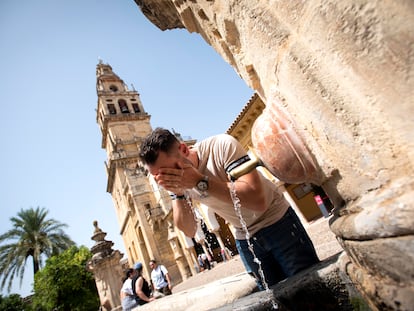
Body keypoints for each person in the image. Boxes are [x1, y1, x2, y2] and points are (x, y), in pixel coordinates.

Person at [138, 128, 320, 290]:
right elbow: (189, 229)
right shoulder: (178, 181)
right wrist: (177, 194)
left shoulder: (222, 146)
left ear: (184, 150)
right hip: (244, 237)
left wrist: (199, 181)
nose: (169, 178)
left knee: (309, 291)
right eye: (160, 177)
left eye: (170, 172)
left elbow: (258, 201)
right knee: (271, 298)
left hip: (278, 223)